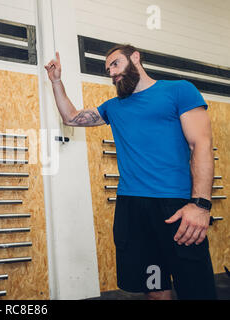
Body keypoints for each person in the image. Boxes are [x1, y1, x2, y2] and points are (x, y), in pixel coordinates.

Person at [45, 45, 216, 300]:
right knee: (155, 287)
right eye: (108, 71)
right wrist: (57, 82)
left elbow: (200, 144)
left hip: (177, 208)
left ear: (135, 57)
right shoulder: (114, 107)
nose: (112, 73)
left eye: (115, 64)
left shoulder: (179, 90)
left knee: (196, 290)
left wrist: (200, 204)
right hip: (133, 210)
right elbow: (72, 117)